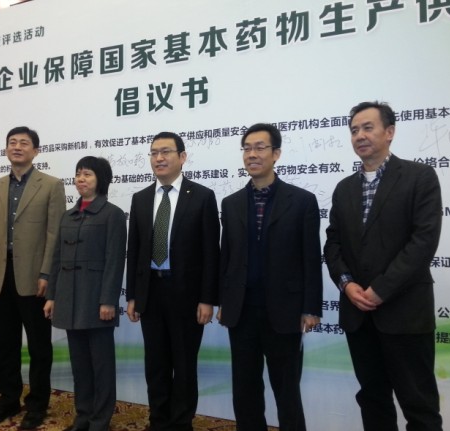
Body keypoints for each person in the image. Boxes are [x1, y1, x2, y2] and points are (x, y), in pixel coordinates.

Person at [324, 101, 443, 431]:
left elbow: (423, 242)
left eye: (367, 127)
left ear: (389, 132)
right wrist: (347, 283)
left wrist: (380, 289)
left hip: (405, 313)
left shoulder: (419, 177)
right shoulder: (344, 188)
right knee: (373, 399)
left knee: (419, 405)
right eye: (354, 130)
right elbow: (333, 244)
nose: (359, 135)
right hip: (358, 315)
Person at [217, 123, 322, 431]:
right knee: (245, 391)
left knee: (287, 391)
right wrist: (224, 302)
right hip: (242, 311)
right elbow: (227, 258)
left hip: (285, 311)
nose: (252, 154)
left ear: (276, 154)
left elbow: (311, 258)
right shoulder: (231, 203)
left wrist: (311, 307)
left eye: (260, 147)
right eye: (247, 148)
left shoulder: (301, 201)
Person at [126, 132, 220, 431]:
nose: (159, 158)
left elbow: (211, 252)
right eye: (154, 153)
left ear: (182, 157)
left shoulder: (202, 196)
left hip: (187, 296)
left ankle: (181, 424)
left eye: (166, 152)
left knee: (184, 364)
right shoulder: (141, 198)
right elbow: (134, 250)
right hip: (151, 292)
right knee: (155, 364)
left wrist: (207, 298)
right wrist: (133, 295)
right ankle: (159, 421)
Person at [0, 126, 66, 429]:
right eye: (12, 142)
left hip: (34, 278)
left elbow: (55, 234)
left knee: (39, 346)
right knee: (4, 344)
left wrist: (47, 273)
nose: (17, 147)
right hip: (0, 276)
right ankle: (8, 398)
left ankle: (37, 404)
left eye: (24, 143)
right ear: (6, 149)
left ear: (36, 151)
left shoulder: (51, 185)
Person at [44, 156, 127, 431]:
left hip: (97, 302)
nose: (81, 178)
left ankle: (100, 421)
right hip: (69, 301)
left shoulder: (113, 214)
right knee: (80, 366)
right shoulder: (68, 216)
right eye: (78, 173)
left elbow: (115, 261)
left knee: (101, 367)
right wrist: (52, 296)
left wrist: (108, 300)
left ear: (101, 179)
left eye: (88, 174)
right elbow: (57, 259)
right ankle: (83, 417)